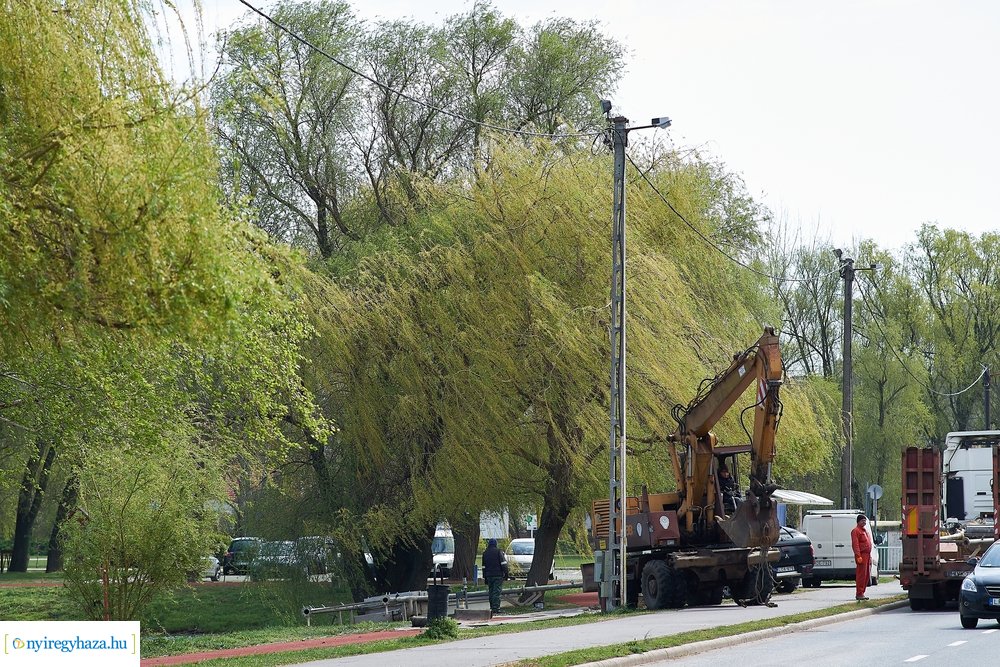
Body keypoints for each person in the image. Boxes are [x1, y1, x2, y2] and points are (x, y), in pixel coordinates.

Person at [482, 538, 508, 615]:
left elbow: (484, 567)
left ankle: (491, 607)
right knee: (497, 592)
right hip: (498, 575)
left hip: (489, 575)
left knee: (491, 591)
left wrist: (485, 577)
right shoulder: (498, 552)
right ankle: (496, 608)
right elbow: (503, 564)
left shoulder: (485, 553)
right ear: (496, 544)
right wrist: (506, 574)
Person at [851, 514, 872, 601]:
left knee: (866, 575)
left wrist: (870, 556)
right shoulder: (856, 531)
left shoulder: (865, 531)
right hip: (861, 555)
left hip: (867, 555)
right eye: (862, 520)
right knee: (861, 575)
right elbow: (855, 544)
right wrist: (858, 555)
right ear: (858, 521)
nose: (864, 522)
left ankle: (862, 592)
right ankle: (859, 593)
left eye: (865, 521)